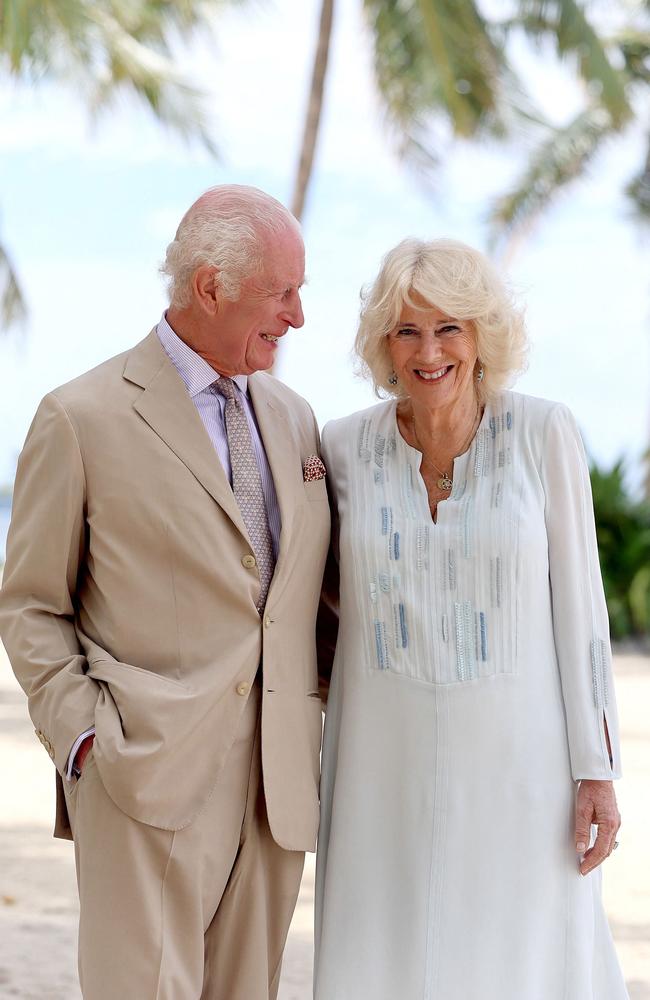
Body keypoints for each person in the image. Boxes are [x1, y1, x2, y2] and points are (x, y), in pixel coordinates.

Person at [0, 184, 331, 1000]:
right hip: (143, 775)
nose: (297, 317)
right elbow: (31, 604)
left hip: (276, 788)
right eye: (281, 293)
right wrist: (84, 741)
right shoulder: (81, 417)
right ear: (212, 286)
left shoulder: (295, 419)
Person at [313, 238, 628, 999]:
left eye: (449, 327)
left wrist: (598, 769)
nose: (429, 351)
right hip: (376, 763)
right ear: (383, 343)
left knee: (519, 956)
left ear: (483, 335)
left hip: (520, 763)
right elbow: (312, 598)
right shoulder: (343, 446)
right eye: (407, 330)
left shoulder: (542, 433)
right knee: (380, 952)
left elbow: (581, 608)